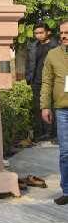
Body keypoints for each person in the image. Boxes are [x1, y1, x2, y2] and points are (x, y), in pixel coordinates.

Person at [41, 19, 68, 206]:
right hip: (62, 110)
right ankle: (67, 190)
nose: (64, 36)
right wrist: (45, 106)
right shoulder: (53, 55)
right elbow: (47, 82)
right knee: (66, 152)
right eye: (62, 33)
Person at [28, 22, 59, 140]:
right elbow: (29, 62)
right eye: (36, 33)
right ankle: (42, 133)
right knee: (38, 107)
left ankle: (54, 134)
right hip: (36, 81)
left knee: (53, 107)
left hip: (52, 81)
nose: (38, 35)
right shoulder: (33, 46)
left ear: (48, 32)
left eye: (41, 32)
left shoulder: (56, 46)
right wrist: (28, 76)